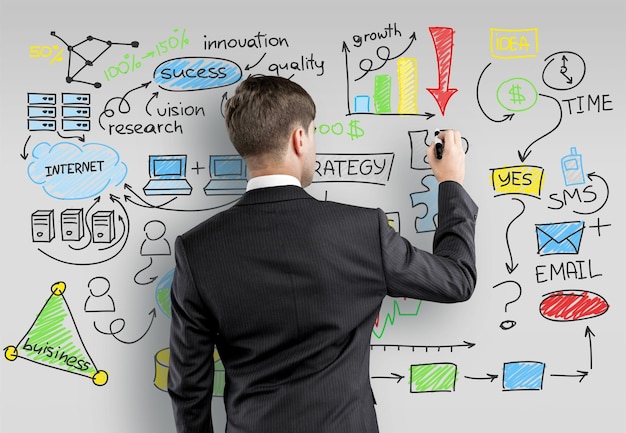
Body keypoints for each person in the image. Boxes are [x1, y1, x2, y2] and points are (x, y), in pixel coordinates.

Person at [168, 75, 478, 433]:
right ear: (300, 139)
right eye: (313, 133)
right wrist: (450, 182)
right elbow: (457, 279)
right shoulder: (362, 231)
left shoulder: (197, 249)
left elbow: (188, 388)